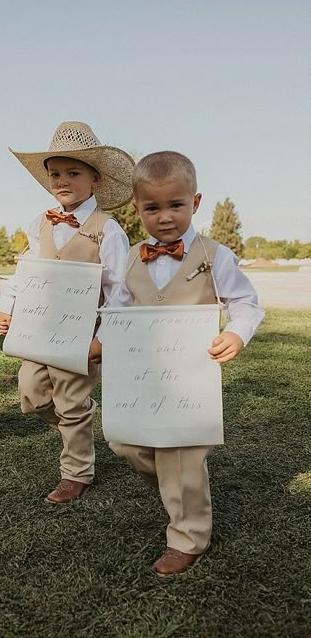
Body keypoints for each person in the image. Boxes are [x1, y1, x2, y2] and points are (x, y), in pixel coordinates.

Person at [95, 151, 264, 576]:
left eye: (176, 205)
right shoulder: (132, 257)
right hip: (140, 377)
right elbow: (117, 309)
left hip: (191, 382)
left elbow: (244, 303)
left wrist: (236, 333)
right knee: (125, 443)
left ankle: (188, 535)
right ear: (137, 208)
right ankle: (181, 492)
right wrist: (100, 343)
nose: (165, 217)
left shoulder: (213, 255)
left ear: (196, 201)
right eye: (153, 207)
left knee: (183, 456)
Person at [0, 121, 134, 503]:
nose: (62, 180)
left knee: (71, 399)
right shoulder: (39, 222)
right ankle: (78, 427)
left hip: (80, 331)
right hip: (38, 327)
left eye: (73, 173)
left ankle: (76, 471)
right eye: (55, 173)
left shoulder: (108, 230)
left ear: (94, 178)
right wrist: (7, 306)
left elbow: (119, 289)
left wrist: (103, 338)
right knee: (33, 394)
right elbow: (28, 270)